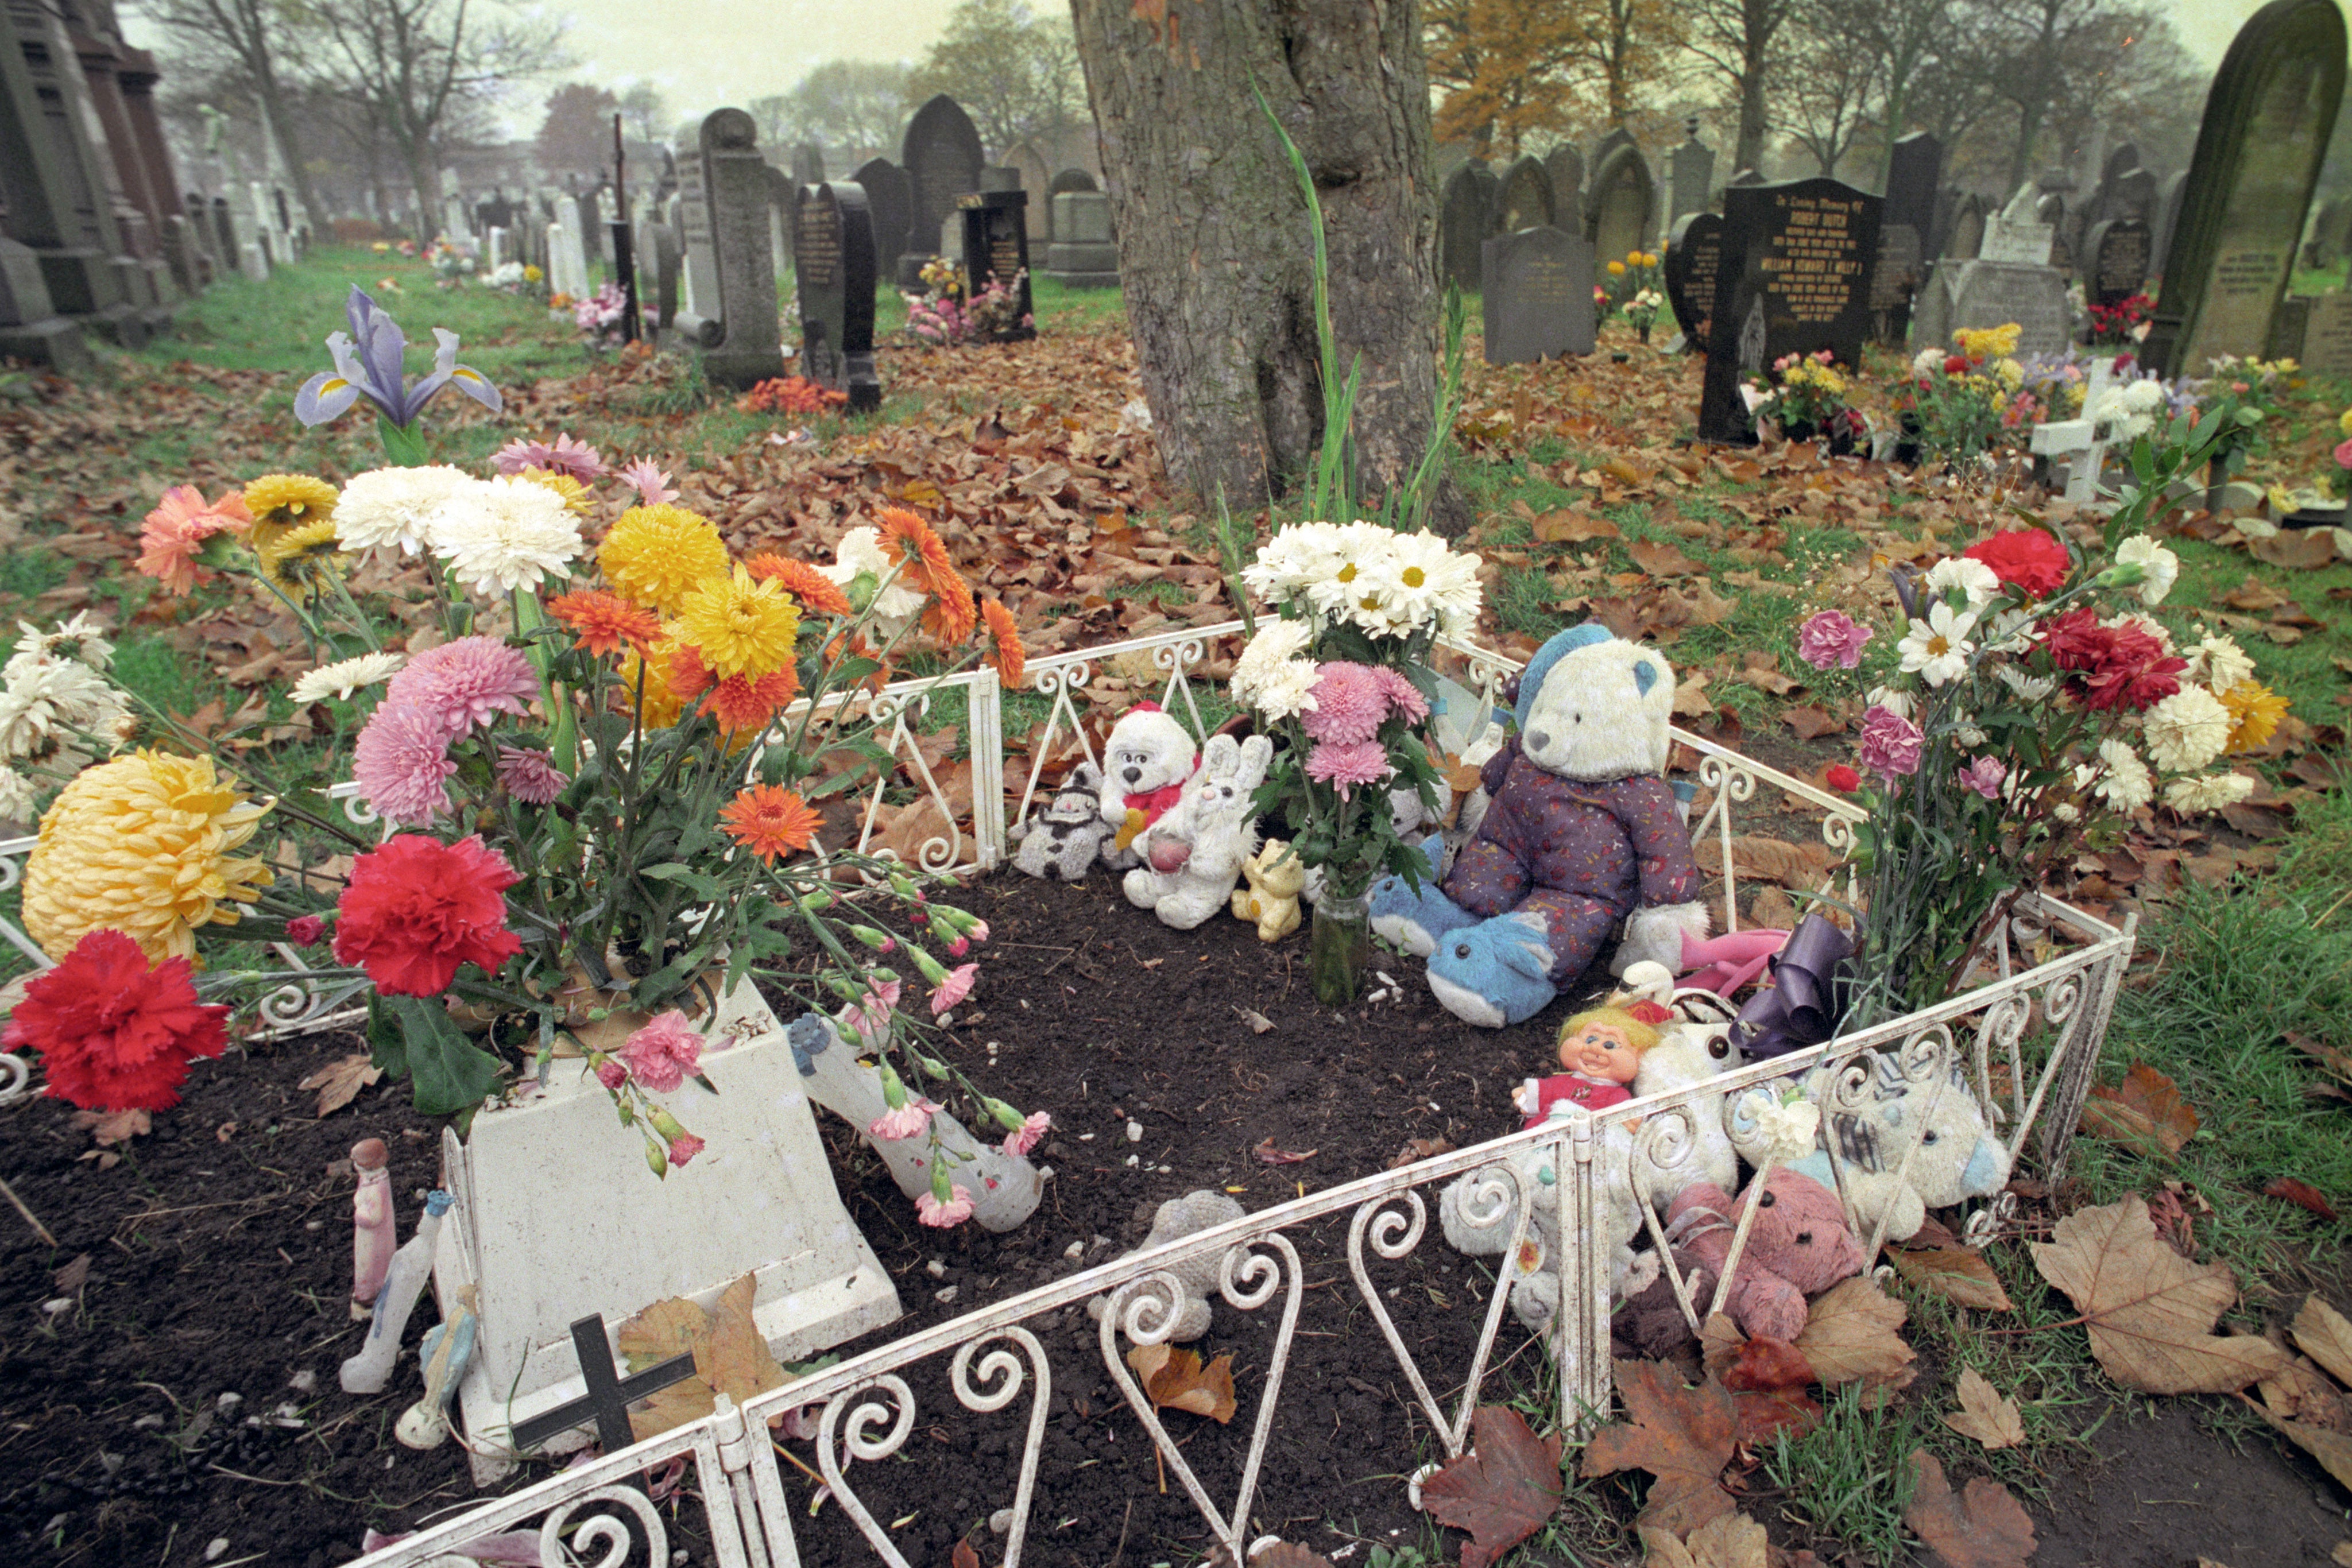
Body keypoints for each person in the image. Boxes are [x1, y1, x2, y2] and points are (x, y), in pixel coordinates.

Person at [1513, 1002, 1669, 1128]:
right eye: (1590, 1040)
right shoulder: (1562, 1082)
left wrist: (1628, 1120)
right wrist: (1527, 1096)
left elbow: (1622, 1116)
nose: (1595, 1048)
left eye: (1610, 1045)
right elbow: (1547, 1091)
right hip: (1548, 1134)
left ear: (1637, 1056)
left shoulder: (1615, 1095)